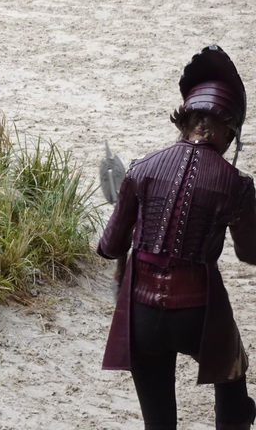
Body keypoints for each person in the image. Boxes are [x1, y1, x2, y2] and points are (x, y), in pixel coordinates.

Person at [98, 44, 256, 430]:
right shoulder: (236, 184)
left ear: (185, 121)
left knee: (159, 423)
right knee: (233, 375)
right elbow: (251, 252)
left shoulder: (142, 167)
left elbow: (108, 247)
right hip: (199, 314)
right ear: (228, 129)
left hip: (141, 312)